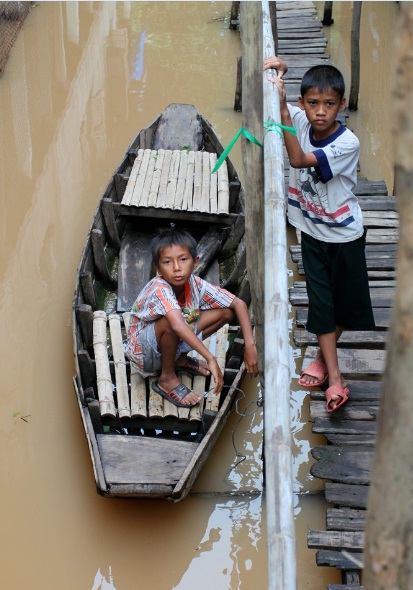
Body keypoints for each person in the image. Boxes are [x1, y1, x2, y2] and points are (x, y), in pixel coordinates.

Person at [263, 55, 375, 413]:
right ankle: (336, 377)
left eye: (329, 104)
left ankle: (321, 357)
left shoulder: (348, 143)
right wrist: (273, 72)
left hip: (344, 236)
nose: (320, 112)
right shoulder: (298, 118)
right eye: (312, 104)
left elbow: (297, 161)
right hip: (311, 234)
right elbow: (262, 94)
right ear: (302, 103)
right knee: (322, 306)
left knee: (347, 307)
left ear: (341, 106)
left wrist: (283, 117)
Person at [125, 227, 259, 408]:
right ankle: (167, 378)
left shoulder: (195, 284)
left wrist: (250, 346)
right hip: (142, 353)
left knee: (226, 313)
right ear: (157, 268)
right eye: (167, 262)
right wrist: (211, 358)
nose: (177, 268)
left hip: (166, 342)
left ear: (195, 262)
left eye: (183, 259)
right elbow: (178, 325)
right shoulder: (159, 288)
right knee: (171, 322)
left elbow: (238, 304)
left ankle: (178, 358)